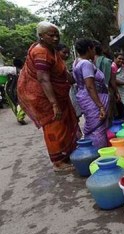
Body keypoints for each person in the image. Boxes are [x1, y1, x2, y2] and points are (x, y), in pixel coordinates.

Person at [17, 21, 80, 172]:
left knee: (64, 124)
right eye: (51, 35)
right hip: (44, 97)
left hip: (56, 95)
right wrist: (54, 104)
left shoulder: (51, 50)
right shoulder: (40, 52)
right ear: (41, 36)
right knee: (55, 127)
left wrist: (73, 79)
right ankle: (58, 162)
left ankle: (66, 154)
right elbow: (43, 78)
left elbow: (60, 71)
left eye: (57, 35)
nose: (55, 38)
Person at [72, 38, 109, 148]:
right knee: (98, 129)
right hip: (93, 100)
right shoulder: (86, 63)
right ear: (89, 49)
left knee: (93, 126)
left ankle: (90, 151)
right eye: (93, 49)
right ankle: (99, 154)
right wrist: (101, 106)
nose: (94, 52)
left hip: (85, 98)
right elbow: (90, 86)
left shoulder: (76, 62)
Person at [93, 40, 119, 120]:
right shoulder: (106, 61)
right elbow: (111, 81)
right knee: (108, 116)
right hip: (105, 92)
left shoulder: (89, 61)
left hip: (93, 93)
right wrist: (116, 92)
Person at [112, 52, 124, 118]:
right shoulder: (113, 66)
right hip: (115, 90)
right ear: (115, 58)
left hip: (122, 90)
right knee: (117, 109)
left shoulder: (122, 67)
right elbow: (113, 80)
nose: (121, 60)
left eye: (122, 59)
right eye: (119, 58)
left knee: (123, 108)